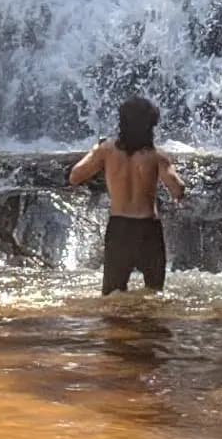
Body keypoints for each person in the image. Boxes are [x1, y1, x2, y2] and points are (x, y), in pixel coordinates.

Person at [70, 95, 184, 294]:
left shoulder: (106, 150)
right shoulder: (157, 156)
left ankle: (116, 325)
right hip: (148, 229)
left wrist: (95, 151)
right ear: (150, 125)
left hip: (119, 228)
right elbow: (177, 188)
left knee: (112, 294)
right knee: (154, 293)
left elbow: (75, 176)